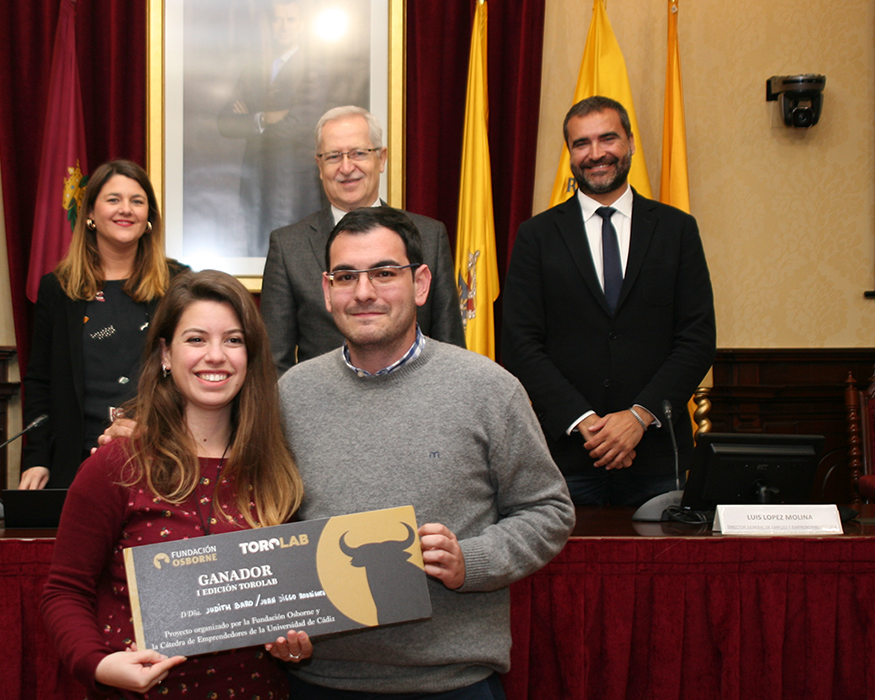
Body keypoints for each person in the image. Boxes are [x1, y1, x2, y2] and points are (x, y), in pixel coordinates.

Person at [277, 207, 573, 697]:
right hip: (317, 679)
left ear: (419, 284)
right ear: (327, 291)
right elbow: (268, 520)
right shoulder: (291, 393)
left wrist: (470, 562)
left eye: (384, 273)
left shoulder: (488, 388)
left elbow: (549, 511)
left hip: (452, 682)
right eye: (346, 276)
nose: (364, 292)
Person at [41, 270, 312, 697]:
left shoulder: (276, 470)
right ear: (166, 353)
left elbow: (292, 603)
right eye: (196, 339)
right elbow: (64, 592)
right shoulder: (117, 465)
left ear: (251, 356)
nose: (216, 356)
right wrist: (99, 664)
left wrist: (296, 644)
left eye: (233, 340)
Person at [500, 96, 716, 508]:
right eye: (581, 143)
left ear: (630, 143)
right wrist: (585, 422)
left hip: (657, 454)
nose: (596, 153)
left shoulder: (677, 230)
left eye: (608, 138)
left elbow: (697, 339)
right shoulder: (536, 237)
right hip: (566, 455)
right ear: (569, 153)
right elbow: (519, 344)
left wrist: (638, 417)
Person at [18, 160, 188, 490]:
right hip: (77, 459)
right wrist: (37, 457)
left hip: (161, 456)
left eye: (137, 201)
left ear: (149, 217)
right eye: (113, 200)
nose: (126, 209)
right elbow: (40, 381)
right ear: (91, 214)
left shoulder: (177, 283)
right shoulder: (57, 288)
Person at [261, 105, 465, 374]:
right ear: (320, 166)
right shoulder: (289, 246)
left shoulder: (429, 236)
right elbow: (273, 363)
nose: (346, 167)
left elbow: (450, 349)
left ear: (381, 159)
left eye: (358, 153)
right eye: (333, 156)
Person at [216, 0, 329, 251]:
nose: (283, 26)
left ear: (301, 25)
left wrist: (250, 120)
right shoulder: (254, 69)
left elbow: (297, 125)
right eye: (277, 20)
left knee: (291, 254)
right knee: (256, 251)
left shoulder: (313, 69)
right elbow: (225, 122)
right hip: (254, 181)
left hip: (291, 186)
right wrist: (264, 118)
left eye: (290, 20)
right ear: (269, 24)